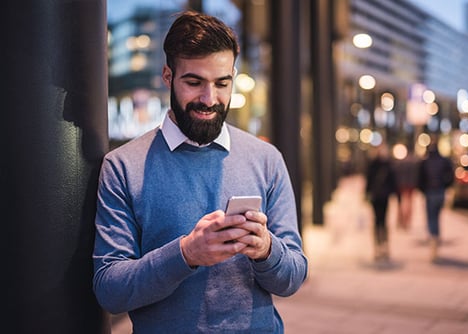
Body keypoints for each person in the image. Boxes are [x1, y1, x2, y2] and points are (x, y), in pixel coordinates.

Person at [92, 11, 308, 333]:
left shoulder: (266, 159)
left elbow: (292, 277)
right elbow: (109, 289)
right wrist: (186, 254)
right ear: (168, 76)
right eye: (194, 82)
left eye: (222, 83)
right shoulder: (122, 166)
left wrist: (265, 249)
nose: (210, 99)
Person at [417, 141, 454, 261]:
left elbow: (419, 179)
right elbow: (451, 177)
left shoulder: (425, 162)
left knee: (431, 218)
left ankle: (434, 241)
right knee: (436, 217)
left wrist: (424, 190)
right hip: (439, 192)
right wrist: (445, 186)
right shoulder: (444, 161)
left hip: (431, 192)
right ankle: (435, 241)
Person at [365, 143, 397, 262]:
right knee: (380, 221)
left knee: (380, 221)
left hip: (379, 196)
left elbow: (369, 181)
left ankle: (381, 246)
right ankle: (381, 246)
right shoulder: (384, 164)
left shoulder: (380, 164)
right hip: (380, 196)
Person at [392, 150, 420, 231]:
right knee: (408, 204)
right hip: (410, 186)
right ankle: (406, 221)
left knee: (402, 204)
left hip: (401, 186)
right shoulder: (413, 163)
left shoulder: (399, 164)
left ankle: (402, 221)